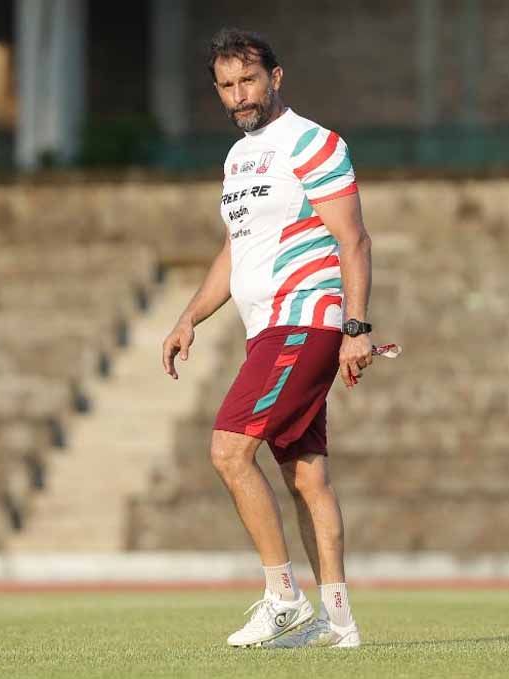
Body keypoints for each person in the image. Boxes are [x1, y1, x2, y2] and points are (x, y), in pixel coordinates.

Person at [161, 27, 374, 649]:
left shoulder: (314, 143)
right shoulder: (236, 159)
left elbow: (354, 240)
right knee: (306, 477)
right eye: (226, 86)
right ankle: (339, 625)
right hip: (266, 332)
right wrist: (187, 318)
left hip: (304, 321)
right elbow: (235, 250)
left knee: (229, 450)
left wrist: (355, 328)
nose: (238, 95)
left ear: (275, 77)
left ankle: (283, 598)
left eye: (248, 80)